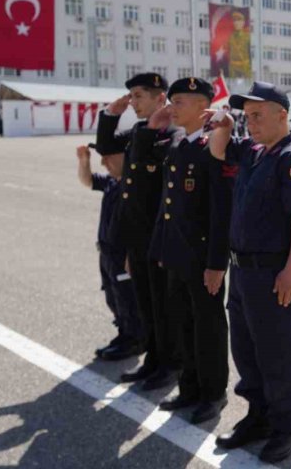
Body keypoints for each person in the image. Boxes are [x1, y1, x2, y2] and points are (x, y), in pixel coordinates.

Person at [208, 81, 291, 463]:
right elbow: (218, 149)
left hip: (275, 275)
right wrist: (224, 122)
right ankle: (258, 417)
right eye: (247, 115)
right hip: (243, 275)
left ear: (281, 114)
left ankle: (288, 429)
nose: (251, 122)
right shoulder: (254, 152)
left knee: (279, 357)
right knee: (247, 352)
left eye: (258, 115)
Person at [134, 78, 235, 424]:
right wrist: (152, 127)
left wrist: (216, 263)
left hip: (202, 258)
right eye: (172, 101)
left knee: (208, 327)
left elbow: (221, 211)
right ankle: (189, 387)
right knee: (183, 324)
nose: (171, 108)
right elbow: (165, 200)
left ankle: (212, 394)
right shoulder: (177, 143)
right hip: (175, 254)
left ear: (201, 107)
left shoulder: (214, 147)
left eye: (179, 102)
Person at [97, 73, 179, 390]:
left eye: (139, 95)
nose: (133, 102)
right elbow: (105, 147)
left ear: (161, 99)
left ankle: (170, 365)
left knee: (162, 306)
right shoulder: (138, 130)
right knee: (146, 304)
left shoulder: (169, 133)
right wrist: (111, 115)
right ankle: (153, 361)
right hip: (137, 237)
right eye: (130, 95)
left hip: (157, 236)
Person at [76, 142, 144, 361]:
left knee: (127, 299)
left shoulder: (134, 185)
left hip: (122, 255)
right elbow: (87, 180)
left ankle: (135, 340)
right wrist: (84, 161)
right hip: (106, 254)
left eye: (108, 157)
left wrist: (131, 256)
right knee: (113, 297)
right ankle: (124, 333)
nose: (103, 162)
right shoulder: (112, 182)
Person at [228, 11, 252, 80]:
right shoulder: (231, 37)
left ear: (243, 22)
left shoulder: (247, 37)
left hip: (244, 66)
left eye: (239, 20)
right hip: (233, 67)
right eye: (234, 20)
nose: (236, 23)